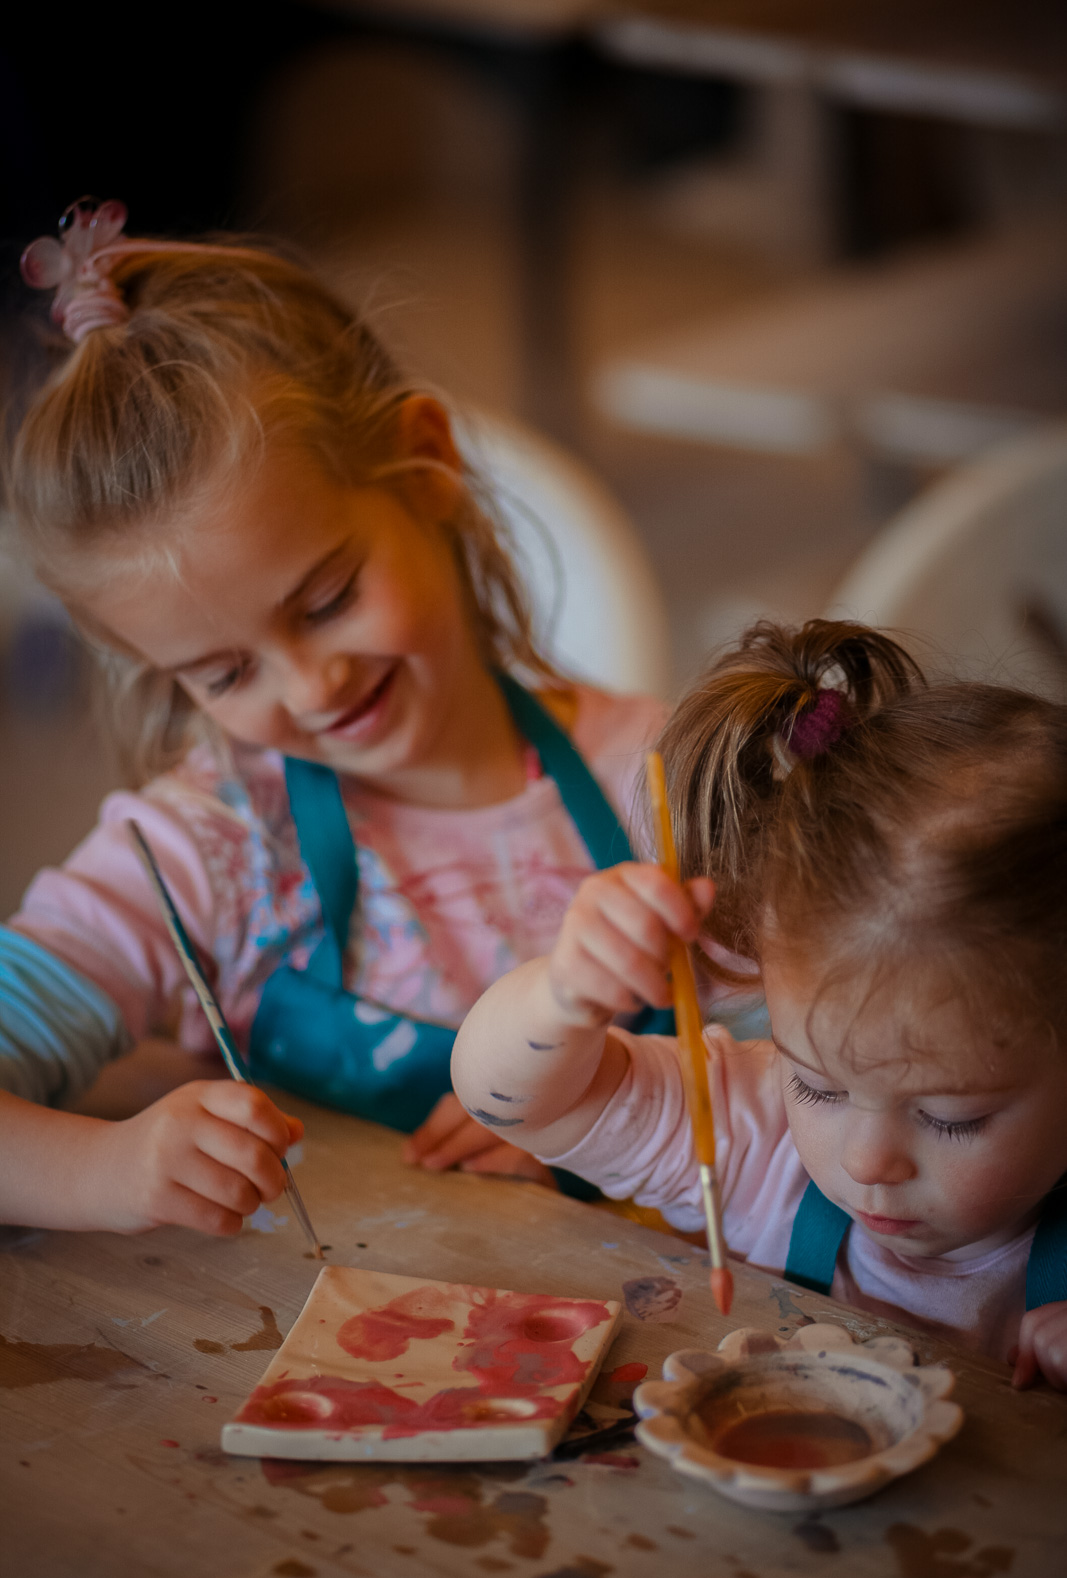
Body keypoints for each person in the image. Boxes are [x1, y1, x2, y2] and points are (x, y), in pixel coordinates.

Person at [0, 198, 666, 1238]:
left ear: (426, 462)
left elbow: (863, 1090)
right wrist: (110, 1169)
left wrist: (626, 1111)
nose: (310, 687)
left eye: (325, 601)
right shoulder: (210, 847)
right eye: (223, 674)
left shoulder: (664, 787)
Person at [453, 619, 1067, 1389]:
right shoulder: (759, 1149)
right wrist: (563, 994)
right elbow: (507, 1100)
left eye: (949, 1115)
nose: (865, 1161)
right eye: (816, 1083)